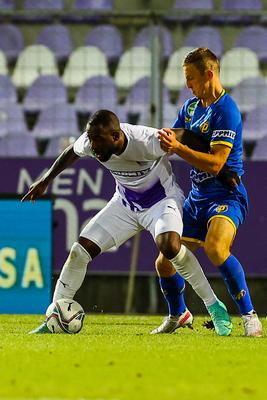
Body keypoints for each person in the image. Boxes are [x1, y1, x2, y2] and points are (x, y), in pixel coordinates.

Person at [22, 109, 232, 335]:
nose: (93, 147)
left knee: (170, 247)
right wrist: (45, 180)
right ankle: (53, 315)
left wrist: (221, 169)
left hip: (161, 201)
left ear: (116, 136)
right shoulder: (92, 141)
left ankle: (214, 307)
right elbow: (71, 152)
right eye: (90, 140)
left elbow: (184, 136)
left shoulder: (145, 140)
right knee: (79, 251)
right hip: (125, 204)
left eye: (98, 141)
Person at [153, 47, 262, 337]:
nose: (187, 84)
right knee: (164, 261)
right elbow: (175, 136)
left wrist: (179, 148)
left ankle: (250, 316)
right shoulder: (190, 108)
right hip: (197, 198)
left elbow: (216, 163)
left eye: (190, 78)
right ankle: (178, 314)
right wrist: (154, 140)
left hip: (226, 195)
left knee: (216, 248)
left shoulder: (226, 111)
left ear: (208, 74)